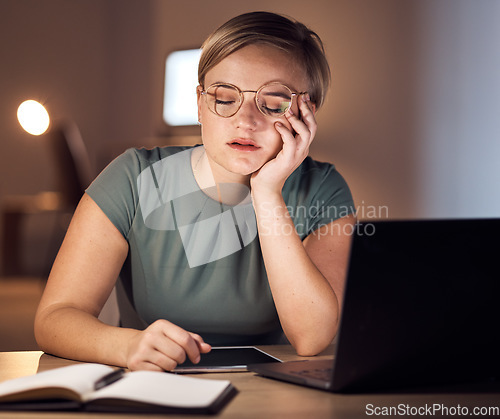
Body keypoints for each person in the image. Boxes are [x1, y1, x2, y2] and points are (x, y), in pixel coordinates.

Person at [34, 11, 356, 371]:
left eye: (274, 101)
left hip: (274, 389)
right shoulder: (134, 176)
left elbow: (312, 338)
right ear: (201, 104)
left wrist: (267, 192)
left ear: (306, 112)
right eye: (224, 96)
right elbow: (55, 317)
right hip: (155, 382)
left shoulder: (323, 188)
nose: (245, 120)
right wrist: (125, 346)